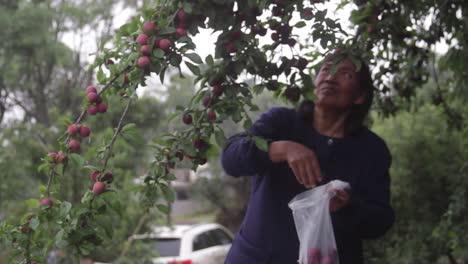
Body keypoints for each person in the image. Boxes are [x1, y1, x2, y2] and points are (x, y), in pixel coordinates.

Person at [221, 50, 395, 264]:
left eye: (345, 74)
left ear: (360, 96)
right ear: (313, 83)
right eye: (325, 69)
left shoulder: (371, 150)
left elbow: (381, 220)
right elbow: (230, 158)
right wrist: (281, 149)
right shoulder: (281, 122)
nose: (330, 77)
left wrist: (347, 207)